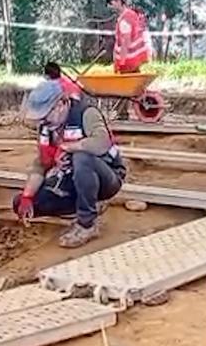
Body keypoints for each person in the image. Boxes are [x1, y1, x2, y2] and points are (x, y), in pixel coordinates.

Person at [12, 80, 126, 248]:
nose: (42, 122)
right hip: (71, 180)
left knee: (81, 158)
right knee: (20, 203)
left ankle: (87, 224)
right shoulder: (47, 127)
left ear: (60, 105)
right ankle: (85, 207)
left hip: (107, 177)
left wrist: (70, 147)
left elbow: (102, 143)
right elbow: (41, 164)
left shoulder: (86, 113)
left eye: (45, 115)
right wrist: (27, 197)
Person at [106, 0, 151, 74]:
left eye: (111, 4)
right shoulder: (132, 14)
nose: (110, 7)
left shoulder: (125, 19)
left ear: (118, 1)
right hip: (136, 60)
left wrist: (121, 64)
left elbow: (125, 42)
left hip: (127, 62)